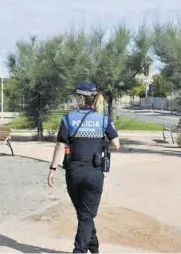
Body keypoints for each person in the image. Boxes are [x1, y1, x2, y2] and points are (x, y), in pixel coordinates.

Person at [47, 82, 120, 253]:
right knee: (86, 216)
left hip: (73, 173)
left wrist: (52, 169)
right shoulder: (104, 119)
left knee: (84, 215)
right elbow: (116, 144)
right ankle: (85, 249)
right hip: (94, 174)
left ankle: (90, 249)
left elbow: (59, 146)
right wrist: (101, 143)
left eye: (75, 97)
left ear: (80, 98)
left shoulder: (68, 118)